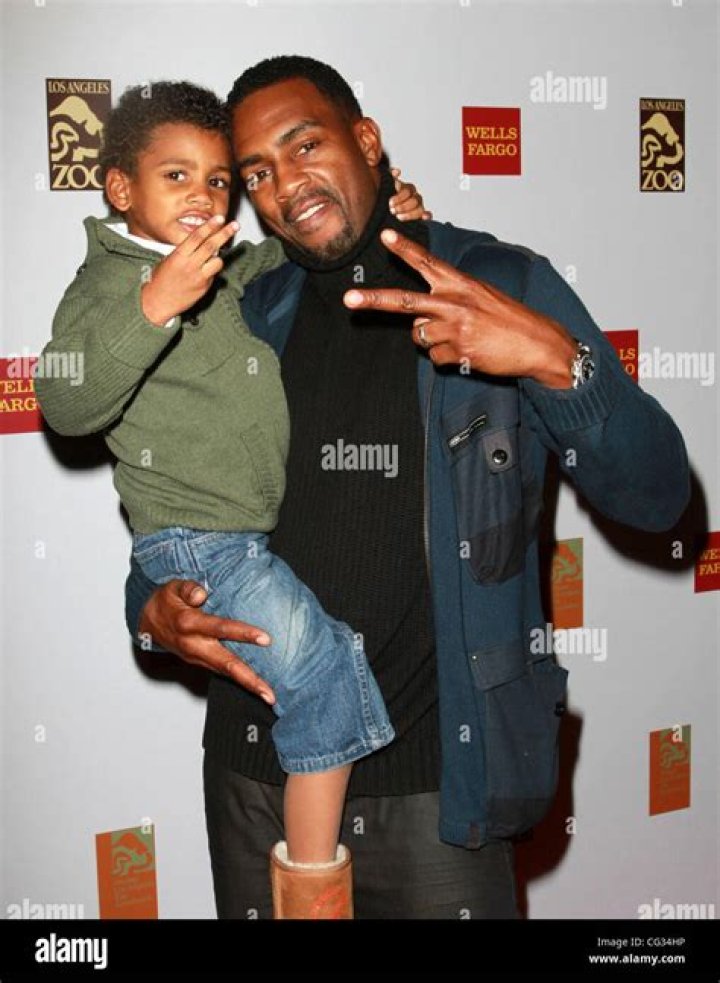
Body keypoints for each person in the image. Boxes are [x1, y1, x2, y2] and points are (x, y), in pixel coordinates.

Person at [127, 56, 690, 920]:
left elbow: (659, 496)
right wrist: (147, 603)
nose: (286, 184)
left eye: (305, 145)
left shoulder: (496, 284)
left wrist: (552, 359)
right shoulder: (241, 314)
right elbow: (174, 496)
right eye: (257, 173)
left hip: (438, 798)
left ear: (366, 140)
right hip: (258, 778)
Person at [34, 80, 430, 919]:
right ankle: (313, 886)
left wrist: (384, 215)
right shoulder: (108, 284)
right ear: (120, 188)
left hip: (239, 541)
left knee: (325, 671)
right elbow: (64, 400)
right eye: (176, 176)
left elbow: (278, 256)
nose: (204, 195)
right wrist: (152, 306)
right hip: (199, 543)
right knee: (326, 674)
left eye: (218, 180)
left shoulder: (222, 267)